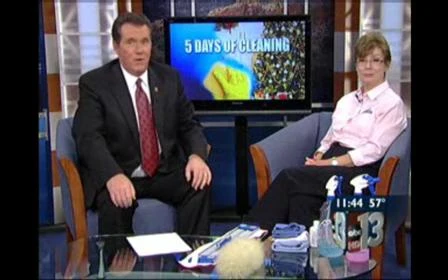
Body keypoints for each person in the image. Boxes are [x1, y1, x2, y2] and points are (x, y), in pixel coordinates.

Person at [246, 31, 408, 231]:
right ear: (356, 65)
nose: (368, 66)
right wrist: (320, 154)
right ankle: (300, 254)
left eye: (375, 60)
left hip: (361, 171)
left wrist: (327, 163)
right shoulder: (347, 101)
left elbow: (372, 151)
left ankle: (250, 234)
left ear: (386, 65)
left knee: (289, 177)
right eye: (362, 60)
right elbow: (331, 136)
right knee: (302, 198)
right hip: (332, 160)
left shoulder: (392, 104)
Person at [72, 12, 212, 235]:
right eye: (131, 42)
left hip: (162, 171)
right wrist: (112, 175)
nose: (139, 50)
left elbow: (188, 124)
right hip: (121, 171)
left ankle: (191, 260)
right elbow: (88, 137)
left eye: (144, 42)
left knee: (199, 184)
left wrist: (197, 156)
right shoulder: (95, 84)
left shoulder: (169, 78)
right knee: (115, 200)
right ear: (117, 47)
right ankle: (116, 268)